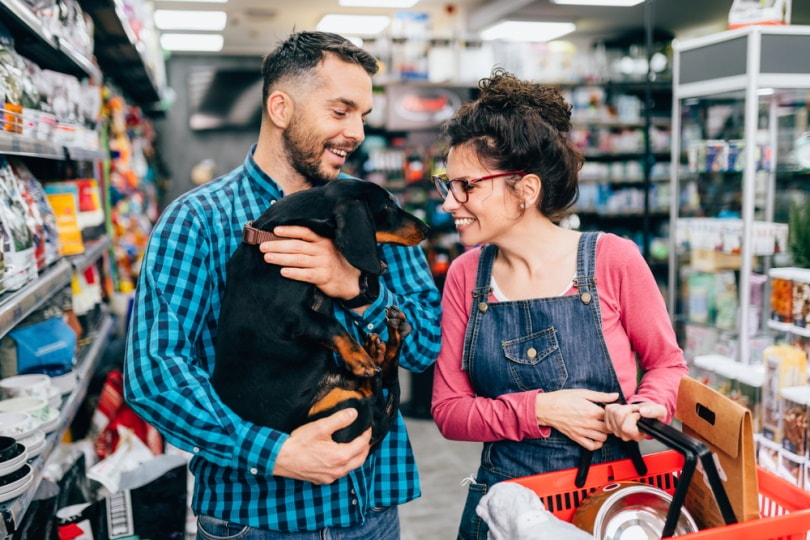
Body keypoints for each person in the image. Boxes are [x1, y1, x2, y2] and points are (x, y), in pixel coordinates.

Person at [123, 31, 442, 539]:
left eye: (362, 114)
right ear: (280, 107)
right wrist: (273, 452)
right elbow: (154, 374)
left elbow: (424, 346)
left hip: (372, 513)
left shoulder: (370, 207)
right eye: (340, 111)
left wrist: (357, 288)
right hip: (257, 520)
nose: (356, 131)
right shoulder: (199, 220)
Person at [429, 68, 688, 540]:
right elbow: (448, 410)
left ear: (525, 190)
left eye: (467, 185)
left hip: (606, 504)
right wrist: (540, 410)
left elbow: (667, 363)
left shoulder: (612, 259)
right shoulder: (467, 276)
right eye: (448, 183)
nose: (450, 202)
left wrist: (647, 407)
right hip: (502, 505)